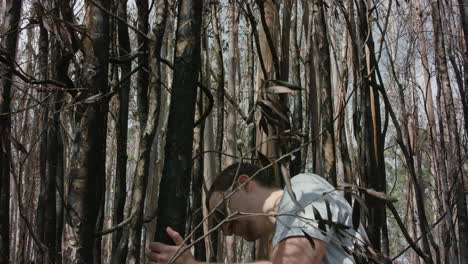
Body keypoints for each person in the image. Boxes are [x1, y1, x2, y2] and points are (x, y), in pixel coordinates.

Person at [147, 162, 366, 264]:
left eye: (223, 213)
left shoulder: (302, 188)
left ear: (244, 184)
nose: (224, 230)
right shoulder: (283, 235)